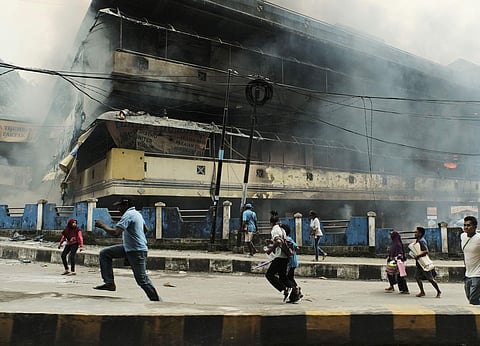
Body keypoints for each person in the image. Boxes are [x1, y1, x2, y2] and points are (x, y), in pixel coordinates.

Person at [94, 197, 162, 302]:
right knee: (105, 253)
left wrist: (102, 225)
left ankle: (157, 301)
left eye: (119, 207)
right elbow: (145, 229)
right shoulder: (137, 214)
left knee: (142, 280)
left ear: (125, 205)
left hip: (136, 250)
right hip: (131, 248)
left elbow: (116, 233)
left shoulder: (128, 215)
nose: (118, 210)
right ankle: (109, 283)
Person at [264, 214, 295, 302]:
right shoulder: (282, 230)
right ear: (278, 221)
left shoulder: (275, 230)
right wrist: (271, 241)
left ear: (271, 223)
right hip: (285, 256)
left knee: (269, 275)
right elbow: (281, 241)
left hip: (279, 256)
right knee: (283, 277)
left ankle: (285, 290)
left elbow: (278, 242)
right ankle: (294, 293)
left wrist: (270, 250)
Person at [413, 226, 441, 298]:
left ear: (420, 233)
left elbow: (426, 251)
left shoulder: (422, 241)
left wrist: (418, 256)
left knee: (430, 279)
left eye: (416, 232)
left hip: (424, 263)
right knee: (417, 277)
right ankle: (422, 291)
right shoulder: (418, 240)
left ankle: (438, 291)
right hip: (420, 263)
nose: (415, 234)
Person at [281, 223, 302, 303]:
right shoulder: (288, 239)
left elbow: (296, 247)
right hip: (292, 262)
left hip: (291, 262)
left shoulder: (287, 239)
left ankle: (295, 291)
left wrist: (290, 252)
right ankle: (297, 290)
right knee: (290, 277)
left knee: (288, 278)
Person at [461, 216, 480, 305]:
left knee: (473, 300)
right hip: (468, 274)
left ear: (475, 227)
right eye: (464, 225)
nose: (466, 227)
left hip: (478, 274)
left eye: (468, 225)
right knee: (470, 298)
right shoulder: (463, 236)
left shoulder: (479, 238)